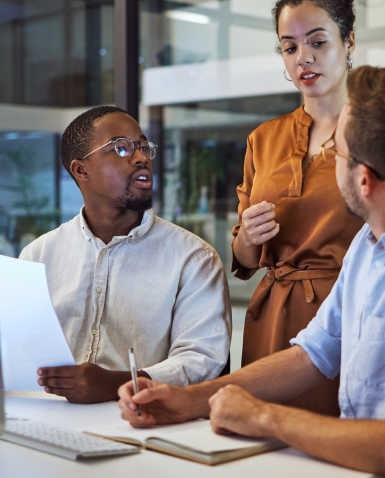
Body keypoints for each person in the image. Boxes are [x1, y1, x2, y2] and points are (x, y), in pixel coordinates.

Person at [118, 66, 385, 478]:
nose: (328, 160)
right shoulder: (370, 242)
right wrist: (191, 400)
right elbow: (313, 352)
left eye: (338, 154)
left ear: (363, 180)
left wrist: (264, 418)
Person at [19, 106, 231, 404]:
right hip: (46, 414)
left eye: (144, 147)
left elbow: (203, 360)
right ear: (81, 170)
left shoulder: (193, 257)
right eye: (121, 148)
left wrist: (121, 384)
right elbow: (17, 350)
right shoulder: (37, 255)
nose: (141, 157)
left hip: (144, 420)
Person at [232, 0, 363, 416]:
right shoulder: (263, 138)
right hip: (270, 318)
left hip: (346, 315)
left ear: (349, 42)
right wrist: (248, 237)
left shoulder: (378, 133)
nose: (302, 57)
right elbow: (245, 259)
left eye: (317, 42)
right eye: (290, 47)